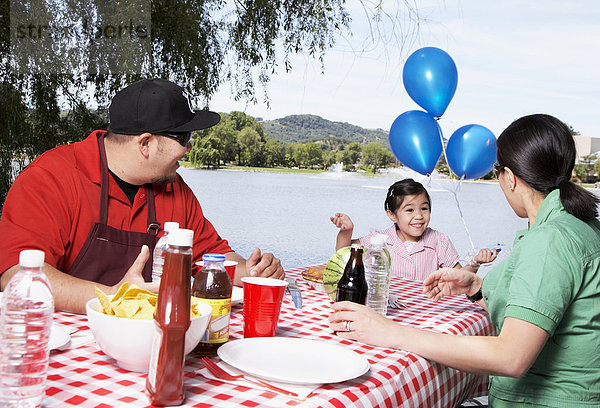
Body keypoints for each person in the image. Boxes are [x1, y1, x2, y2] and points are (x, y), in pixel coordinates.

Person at [329, 114, 600, 407]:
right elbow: (543, 299)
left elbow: (510, 357)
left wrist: (391, 332)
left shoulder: (550, 240)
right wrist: (474, 285)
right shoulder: (578, 226)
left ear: (509, 177)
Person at [0, 78, 284, 314]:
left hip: (146, 340)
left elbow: (213, 255)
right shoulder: (50, 178)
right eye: (184, 138)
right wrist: (113, 296)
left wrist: (249, 270)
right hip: (65, 349)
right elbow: (16, 277)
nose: (190, 149)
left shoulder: (175, 188)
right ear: (146, 143)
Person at [330, 178, 497, 280]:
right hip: (387, 307)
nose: (419, 216)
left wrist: (476, 263)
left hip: (425, 310)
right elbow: (343, 252)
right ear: (392, 215)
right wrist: (346, 231)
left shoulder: (439, 241)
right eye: (409, 210)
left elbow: (460, 277)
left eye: (424, 208)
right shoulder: (379, 240)